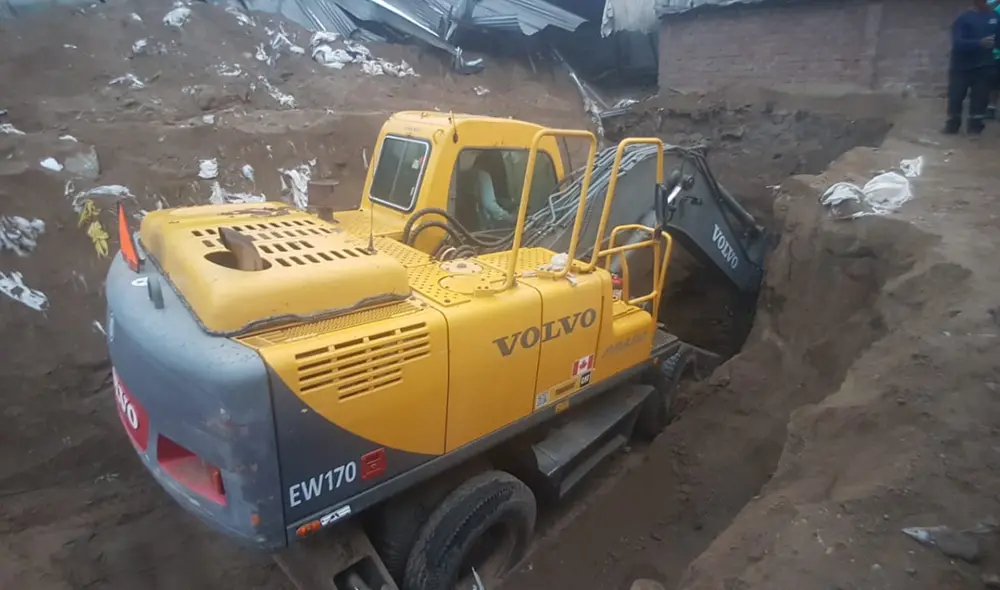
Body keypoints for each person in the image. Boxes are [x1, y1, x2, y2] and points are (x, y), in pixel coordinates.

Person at [945, 0, 1000, 135]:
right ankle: (952, 126)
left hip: (985, 66)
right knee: (956, 97)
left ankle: (975, 129)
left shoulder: (994, 17)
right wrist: (979, 43)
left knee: (980, 99)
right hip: (961, 67)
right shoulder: (963, 19)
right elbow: (958, 43)